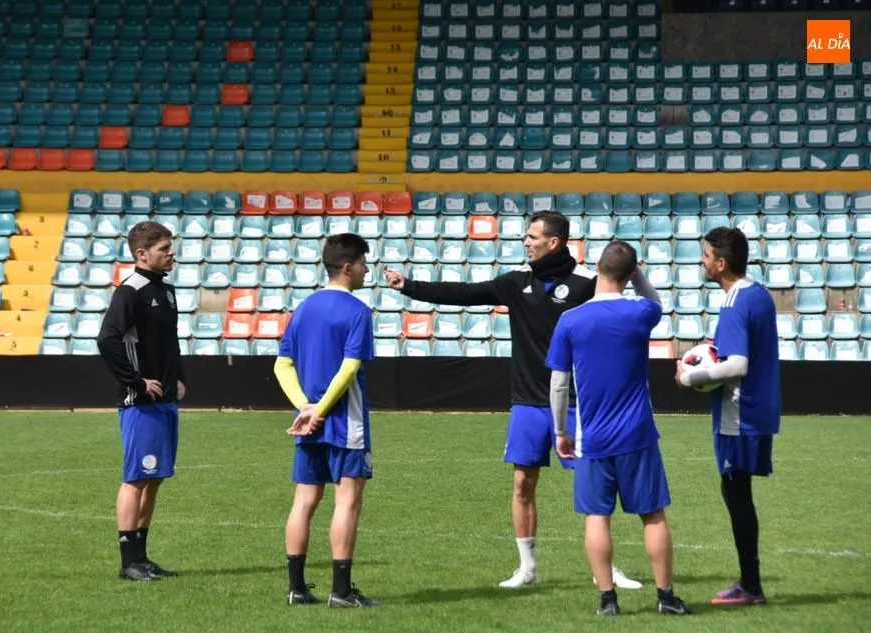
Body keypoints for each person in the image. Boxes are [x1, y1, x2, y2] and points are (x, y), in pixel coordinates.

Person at [384, 211, 642, 590]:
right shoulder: (516, 282)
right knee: (522, 483)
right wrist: (408, 286)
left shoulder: (588, 283)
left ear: (553, 242)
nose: (526, 242)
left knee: (593, 482)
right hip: (527, 402)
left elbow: (617, 319)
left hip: (577, 402)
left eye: (532, 236)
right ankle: (527, 568)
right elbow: (465, 293)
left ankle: (606, 567)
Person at [546, 241, 691, 617]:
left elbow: (559, 384)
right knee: (653, 515)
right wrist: (635, 271)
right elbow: (655, 300)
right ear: (629, 275)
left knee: (597, 517)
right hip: (638, 434)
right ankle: (665, 597)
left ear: (597, 267)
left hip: (593, 438)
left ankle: (608, 601)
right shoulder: (640, 312)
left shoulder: (570, 320)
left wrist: (560, 430)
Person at [273, 233, 381, 608]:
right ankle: (341, 591)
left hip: (307, 423)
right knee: (347, 501)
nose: (367, 271)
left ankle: (296, 589)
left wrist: (305, 407)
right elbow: (349, 367)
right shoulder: (357, 311)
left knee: (304, 501)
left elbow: (282, 364)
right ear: (348, 267)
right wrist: (319, 410)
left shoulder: (304, 307)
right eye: (364, 264)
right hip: (343, 421)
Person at [675, 227, 780, 606]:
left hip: (740, 411)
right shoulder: (758, 293)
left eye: (706, 256)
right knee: (738, 490)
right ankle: (749, 583)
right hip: (758, 407)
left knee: (735, 491)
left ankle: (751, 587)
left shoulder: (735, 303)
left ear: (720, 263)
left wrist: (690, 377)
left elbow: (737, 364)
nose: (702, 261)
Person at [96, 221, 186, 582]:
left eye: (170, 246)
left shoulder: (167, 291)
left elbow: (171, 340)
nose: (171, 252)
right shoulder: (130, 291)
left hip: (165, 400)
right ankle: (127, 562)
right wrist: (135, 381)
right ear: (142, 254)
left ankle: (142, 557)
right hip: (140, 403)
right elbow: (107, 339)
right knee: (136, 477)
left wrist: (179, 378)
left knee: (155, 478)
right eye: (164, 248)